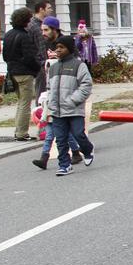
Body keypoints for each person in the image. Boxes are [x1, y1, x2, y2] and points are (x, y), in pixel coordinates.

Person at [47, 35, 95, 175]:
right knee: (61, 140)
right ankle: (64, 165)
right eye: (57, 48)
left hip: (73, 109)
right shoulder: (53, 67)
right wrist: (50, 101)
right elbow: (49, 87)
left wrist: (73, 100)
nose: (58, 50)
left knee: (78, 134)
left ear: (70, 49)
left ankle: (87, 150)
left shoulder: (78, 65)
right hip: (57, 110)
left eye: (62, 47)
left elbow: (86, 86)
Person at [2, 7, 43, 141]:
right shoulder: (24, 36)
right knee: (25, 103)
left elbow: (5, 56)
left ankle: (18, 130)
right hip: (25, 73)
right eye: (29, 19)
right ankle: (22, 133)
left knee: (21, 103)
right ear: (25, 20)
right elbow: (29, 57)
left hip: (12, 72)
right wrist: (38, 68)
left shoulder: (8, 34)